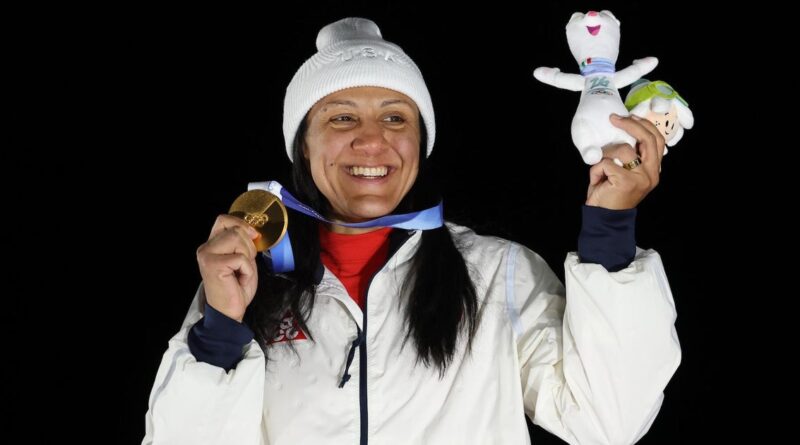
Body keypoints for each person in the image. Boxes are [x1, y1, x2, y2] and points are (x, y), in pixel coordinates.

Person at [143, 17, 680, 445]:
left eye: (396, 118)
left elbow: (607, 420)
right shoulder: (246, 286)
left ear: (421, 144)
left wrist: (610, 229)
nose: (372, 141)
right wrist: (222, 328)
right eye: (342, 118)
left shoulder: (499, 274)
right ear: (303, 146)